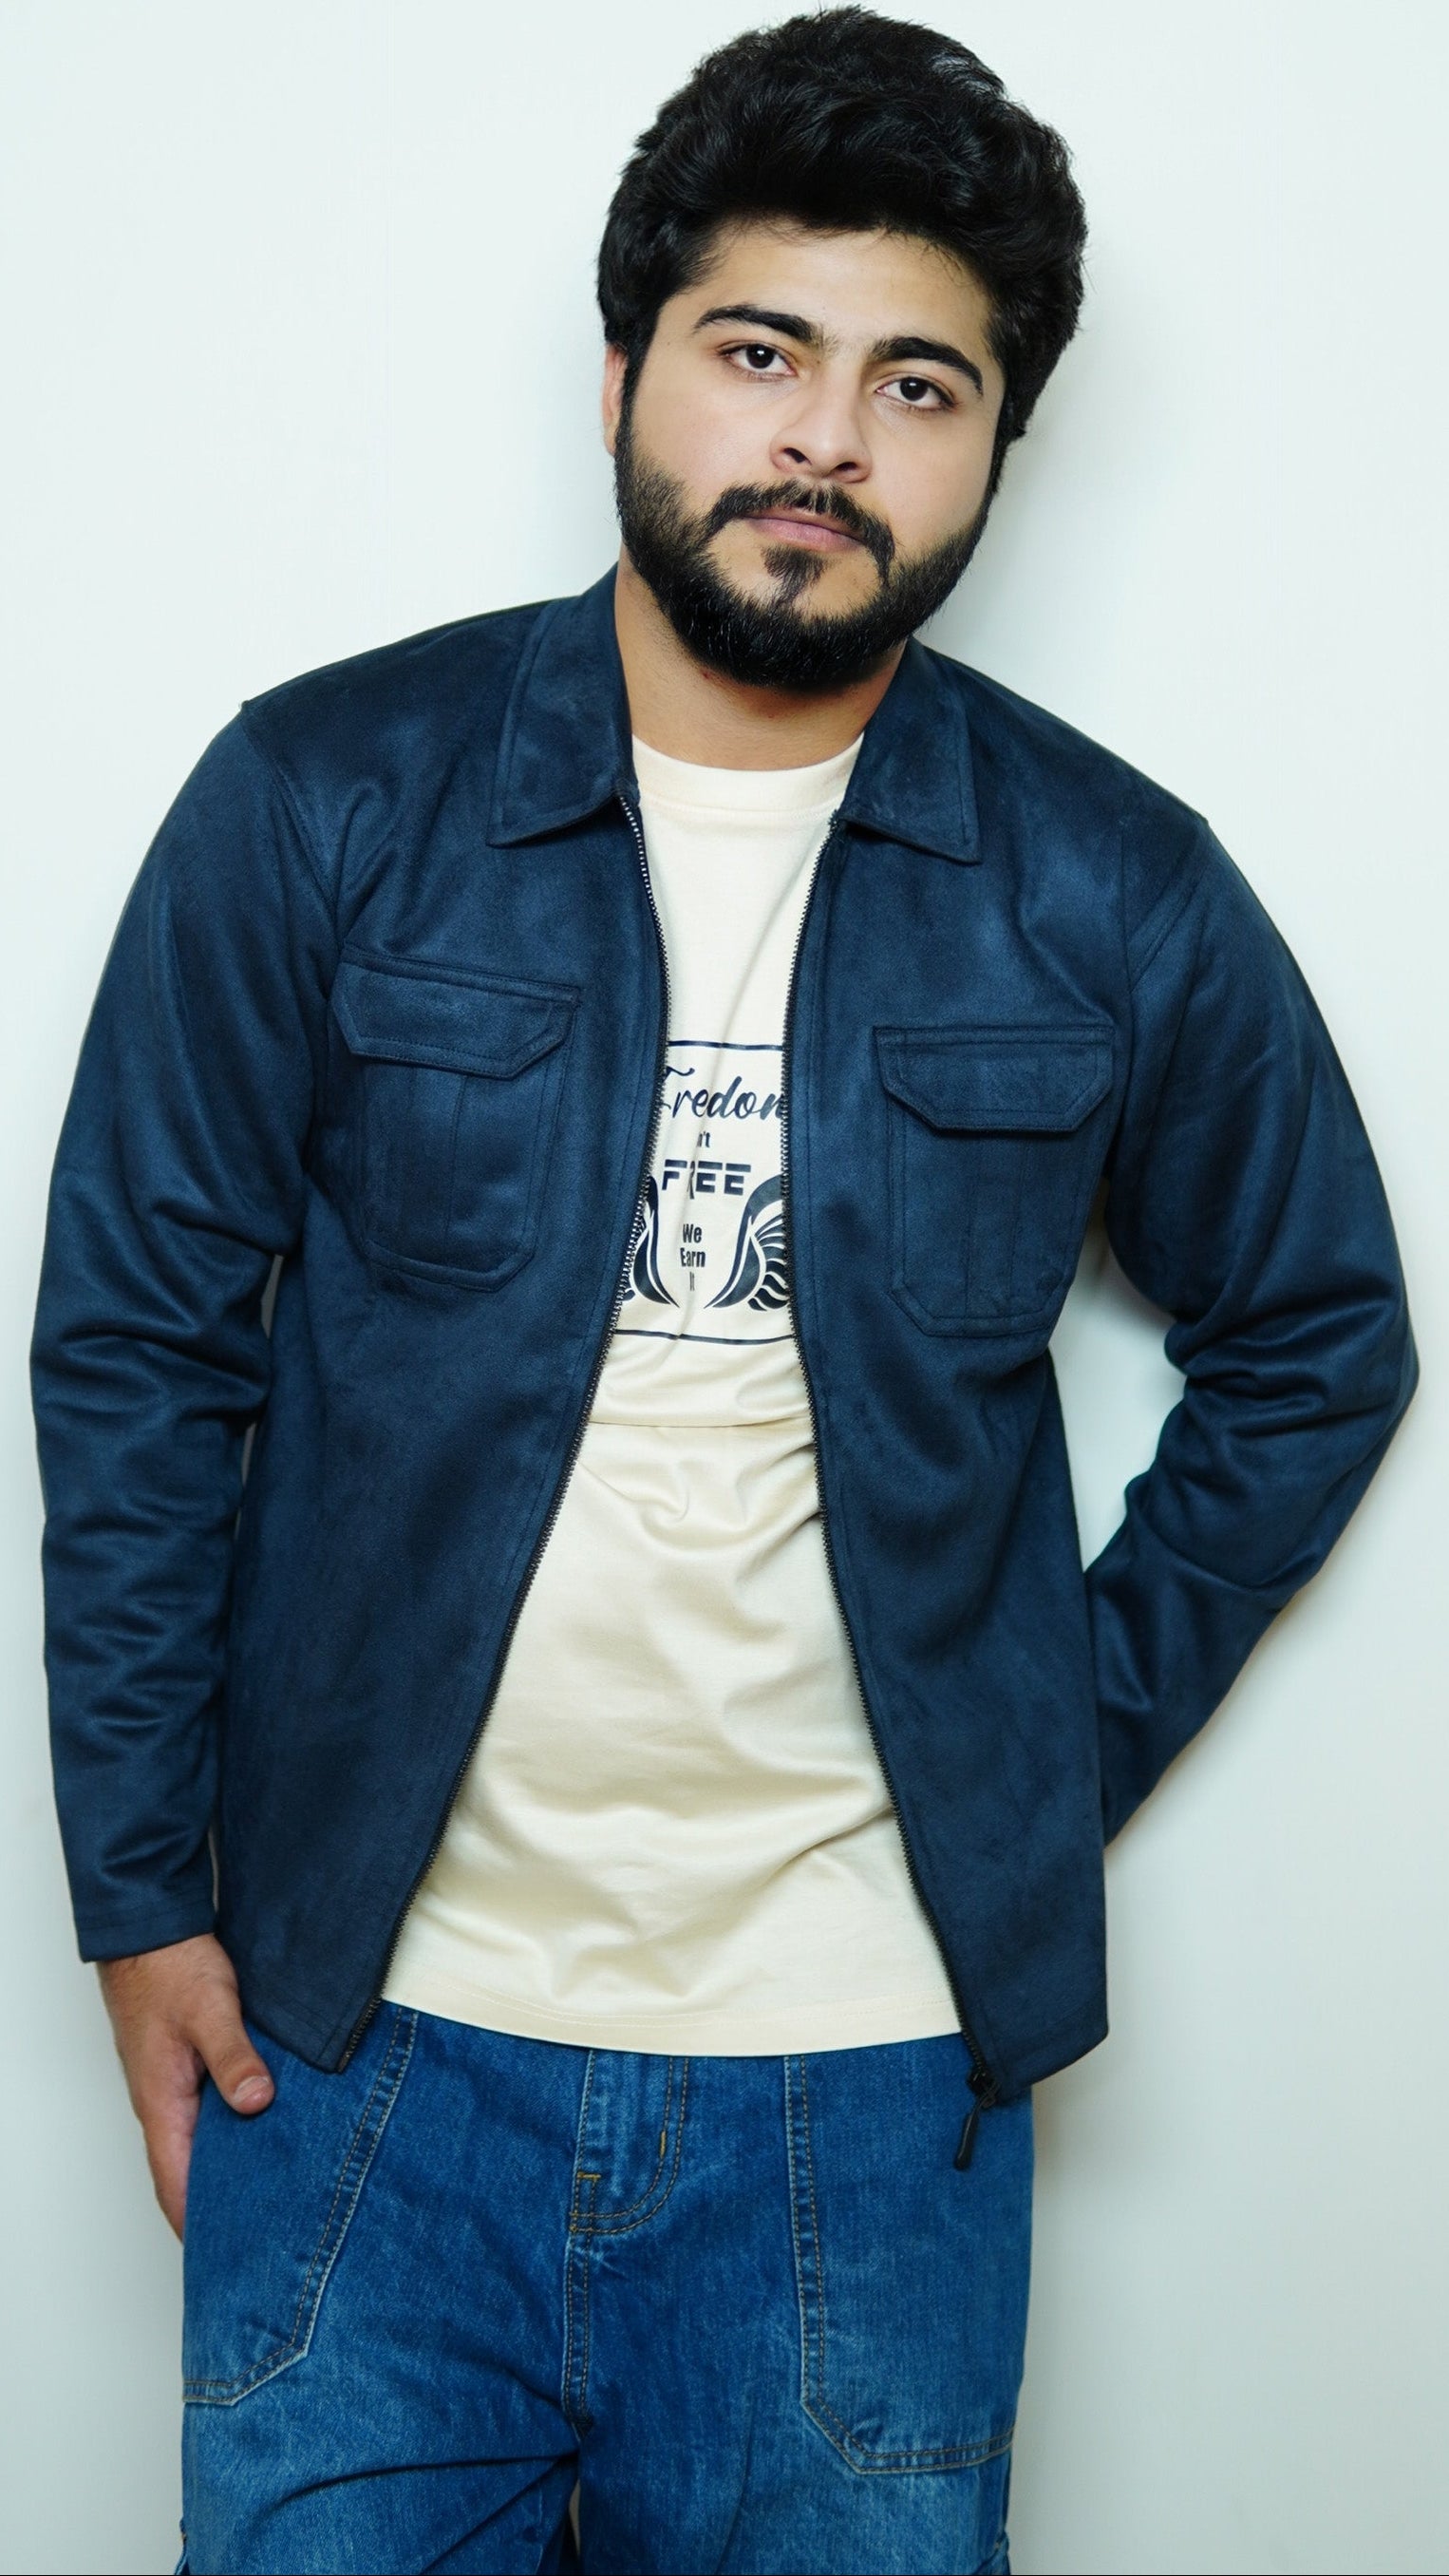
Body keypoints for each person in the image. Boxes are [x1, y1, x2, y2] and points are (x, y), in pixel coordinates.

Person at [31, 11, 1416, 2573]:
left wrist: (1033, 1743)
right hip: (359, 2059)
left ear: (998, 447)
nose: (824, 441)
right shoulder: (324, 805)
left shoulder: (1110, 888)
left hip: (870, 2099)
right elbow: (135, 1346)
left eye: (919, 383)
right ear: (624, 373)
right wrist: (140, 1898)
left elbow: (1324, 1333)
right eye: (759, 352)